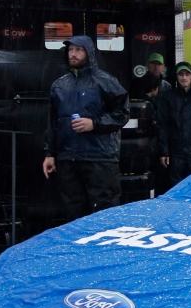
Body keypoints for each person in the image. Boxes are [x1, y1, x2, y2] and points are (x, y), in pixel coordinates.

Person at [41, 36, 129, 219]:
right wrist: (49, 154)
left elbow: (122, 114)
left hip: (100, 158)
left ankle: (104, 247)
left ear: (89, 53)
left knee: (104, 211)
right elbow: (52, 122)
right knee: (72, 212)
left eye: (79, 50)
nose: (73, 54)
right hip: (68, 159)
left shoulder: (106, 81)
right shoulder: (59, 85)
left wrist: (94, 124)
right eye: (71, 50)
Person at [156, 61, 191, 189]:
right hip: (175, 153)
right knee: (176, 188)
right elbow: (162, 126)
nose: (184, 78)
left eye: (187, 74)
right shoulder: (168, 97)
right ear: (176, 77)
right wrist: (164, 151)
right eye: (180, 74)